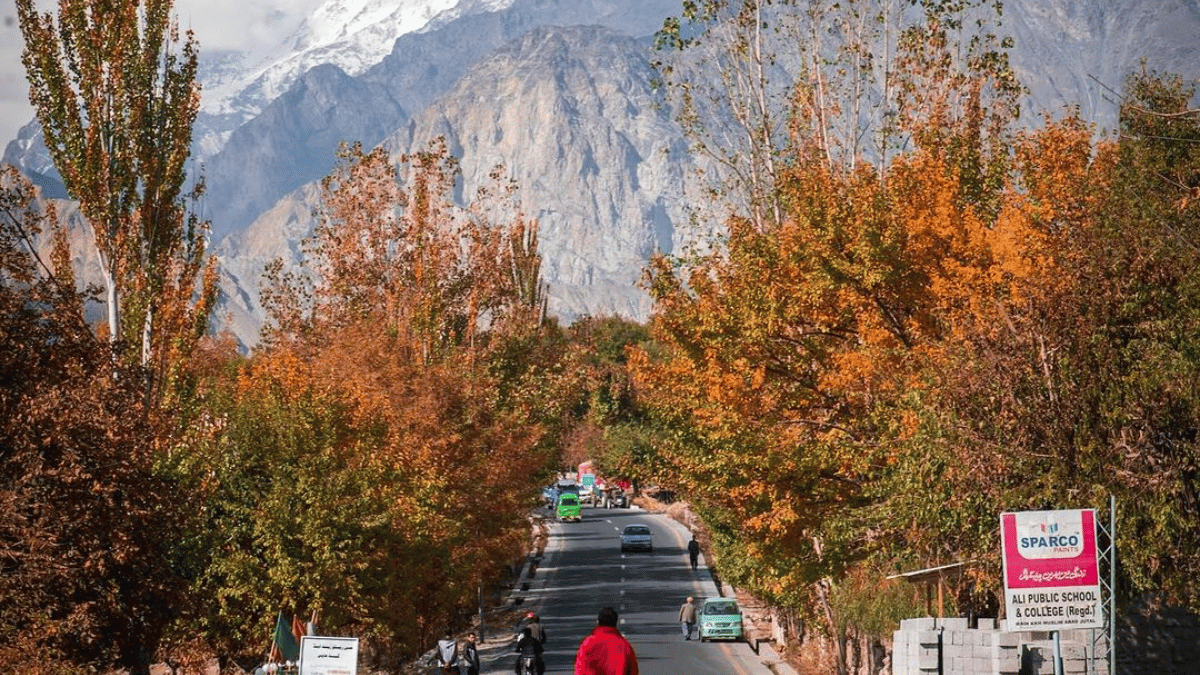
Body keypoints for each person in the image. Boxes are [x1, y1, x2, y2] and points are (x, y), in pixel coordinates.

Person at [574, 607, 638, 675]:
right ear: (616, 623)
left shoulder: (587, 643)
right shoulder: (625, 646)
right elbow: (633, 672)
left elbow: (579, 671)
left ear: (598, 622)